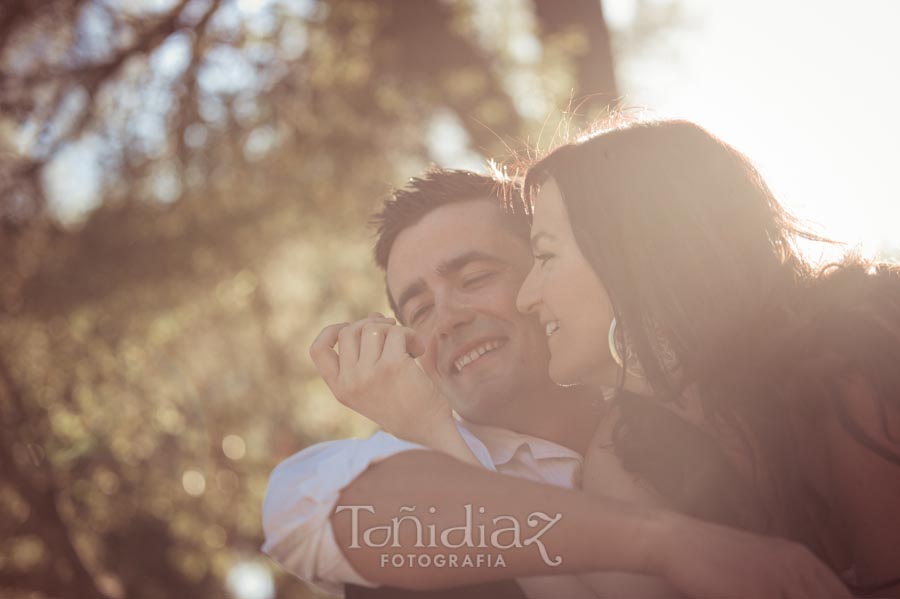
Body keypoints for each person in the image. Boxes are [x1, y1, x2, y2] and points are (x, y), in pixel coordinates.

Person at [262, 168, 850, 598]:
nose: (447, 319)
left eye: (473, 277)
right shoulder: (399, 458)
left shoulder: (685, 410)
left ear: (549, 274)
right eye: (418, 309)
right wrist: (434, 434)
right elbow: (295, 513)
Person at [514, 118, 900, 596]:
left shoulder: (854, 358)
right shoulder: (627, 452)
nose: (525, 297)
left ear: (630, 256)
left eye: (546, 256)